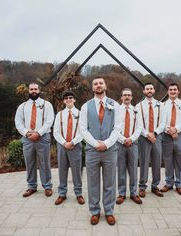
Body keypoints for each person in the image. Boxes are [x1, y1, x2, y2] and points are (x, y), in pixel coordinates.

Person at [79, 76, 122, 226]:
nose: (98, 85)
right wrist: (96, 144)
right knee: (93, 183)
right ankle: (95, 211)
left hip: (110, 150)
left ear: (105, 86)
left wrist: (107, 143)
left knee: (110, 182)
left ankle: (109, 211)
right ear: (92, 88)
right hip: (92, 150)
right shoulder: (86, 106)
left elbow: (118, 128)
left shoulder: (115, 105)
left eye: (101, 83)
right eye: (95, 83)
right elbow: (83, 129)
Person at [15, 82, 54, 197]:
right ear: (28, 91)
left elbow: (49, 121)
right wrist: (27, 133)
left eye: (35, 89)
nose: (33, 91)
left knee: (44, 163)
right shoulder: (22, 107)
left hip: (43, 137)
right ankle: (31, 186)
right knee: (29, 163)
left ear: (39, 90)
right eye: (31, 89)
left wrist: (39, 133)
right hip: (27, 139)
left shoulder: (47, 105)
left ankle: (47, 186)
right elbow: (18, 122)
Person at [53, 91, 85, 205]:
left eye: (71, 97)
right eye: (66, 98)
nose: (68, 99)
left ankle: (78, 193)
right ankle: (62, 194)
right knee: (62, 170)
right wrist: (64, 142)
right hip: (62, 146)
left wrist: (72, 142)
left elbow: (83, 131)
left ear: (74, 100)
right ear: (64, 101)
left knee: (76, 170)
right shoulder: (60, 114)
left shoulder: (81, 114)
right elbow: (55, 131)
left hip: (75, 145)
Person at [160, 83, 181, 195]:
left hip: (180, 136)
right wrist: (169, 130)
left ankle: (179, 184)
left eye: (174, 89)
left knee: (180, 160)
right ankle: (168, 183)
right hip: (166, 136)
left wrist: (176, 129)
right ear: (168, 92)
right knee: (168, 160)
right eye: (170, 90)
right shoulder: (162, 105)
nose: (172, 91)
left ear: (178, 91)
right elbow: (160, 122)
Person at [135, 82, 165, 198]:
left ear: (154, 90)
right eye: (147, 89)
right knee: (143, 162)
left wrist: (155, 133)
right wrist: (147, 134)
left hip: (157, 137)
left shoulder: (160, 105)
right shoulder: (138, 106)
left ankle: (155, 186)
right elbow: (138, 124)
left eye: (151, 88)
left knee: (157, 162)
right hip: (144, 137)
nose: (149, 90)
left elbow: (163, 122)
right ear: (144, 91)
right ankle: (142, 186)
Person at [116, 88, 142, 205]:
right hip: (120, 143)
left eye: (129, 95)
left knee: (133, 169)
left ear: (131, 97)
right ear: (121, 97)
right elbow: (114, 128)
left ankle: (133, 193)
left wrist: (131, 139)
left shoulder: (136, 111)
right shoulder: (116, 111)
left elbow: (139, 128)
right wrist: (123, 139)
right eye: (124, 95)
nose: (127, 97)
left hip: (133, 143)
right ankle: (121, 194)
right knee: (121, 169)